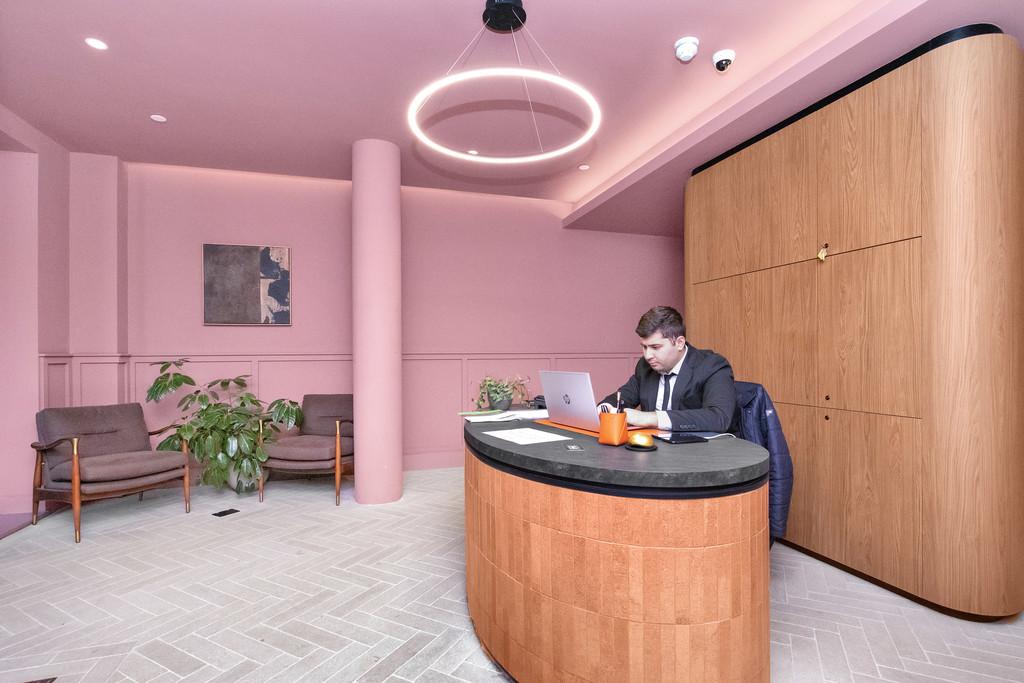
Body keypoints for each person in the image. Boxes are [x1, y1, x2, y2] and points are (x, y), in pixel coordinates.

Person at [599, 306, 738, 432]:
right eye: (644, 347)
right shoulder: (645, 366)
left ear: (679, 343)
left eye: (655, 347)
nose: (647, 355)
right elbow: (622, 397)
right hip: (654, 447)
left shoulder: (712, 366)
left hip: (700, 449)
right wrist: (605, 408)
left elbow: (719, 418)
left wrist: (651, 418)